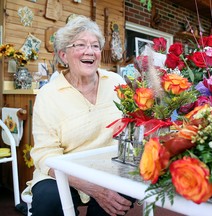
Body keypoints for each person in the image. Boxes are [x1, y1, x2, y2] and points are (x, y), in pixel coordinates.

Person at [28, 15, 135, 216]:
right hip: (65, 174)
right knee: (48, 202)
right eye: (80, 45)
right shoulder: (48, 95)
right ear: (63, 55)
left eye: (95, 46)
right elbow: (45, 154)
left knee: (117, 198)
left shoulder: (116, 82)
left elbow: (132, 126)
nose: (90, 51)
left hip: (110, 168)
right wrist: (93, 189)